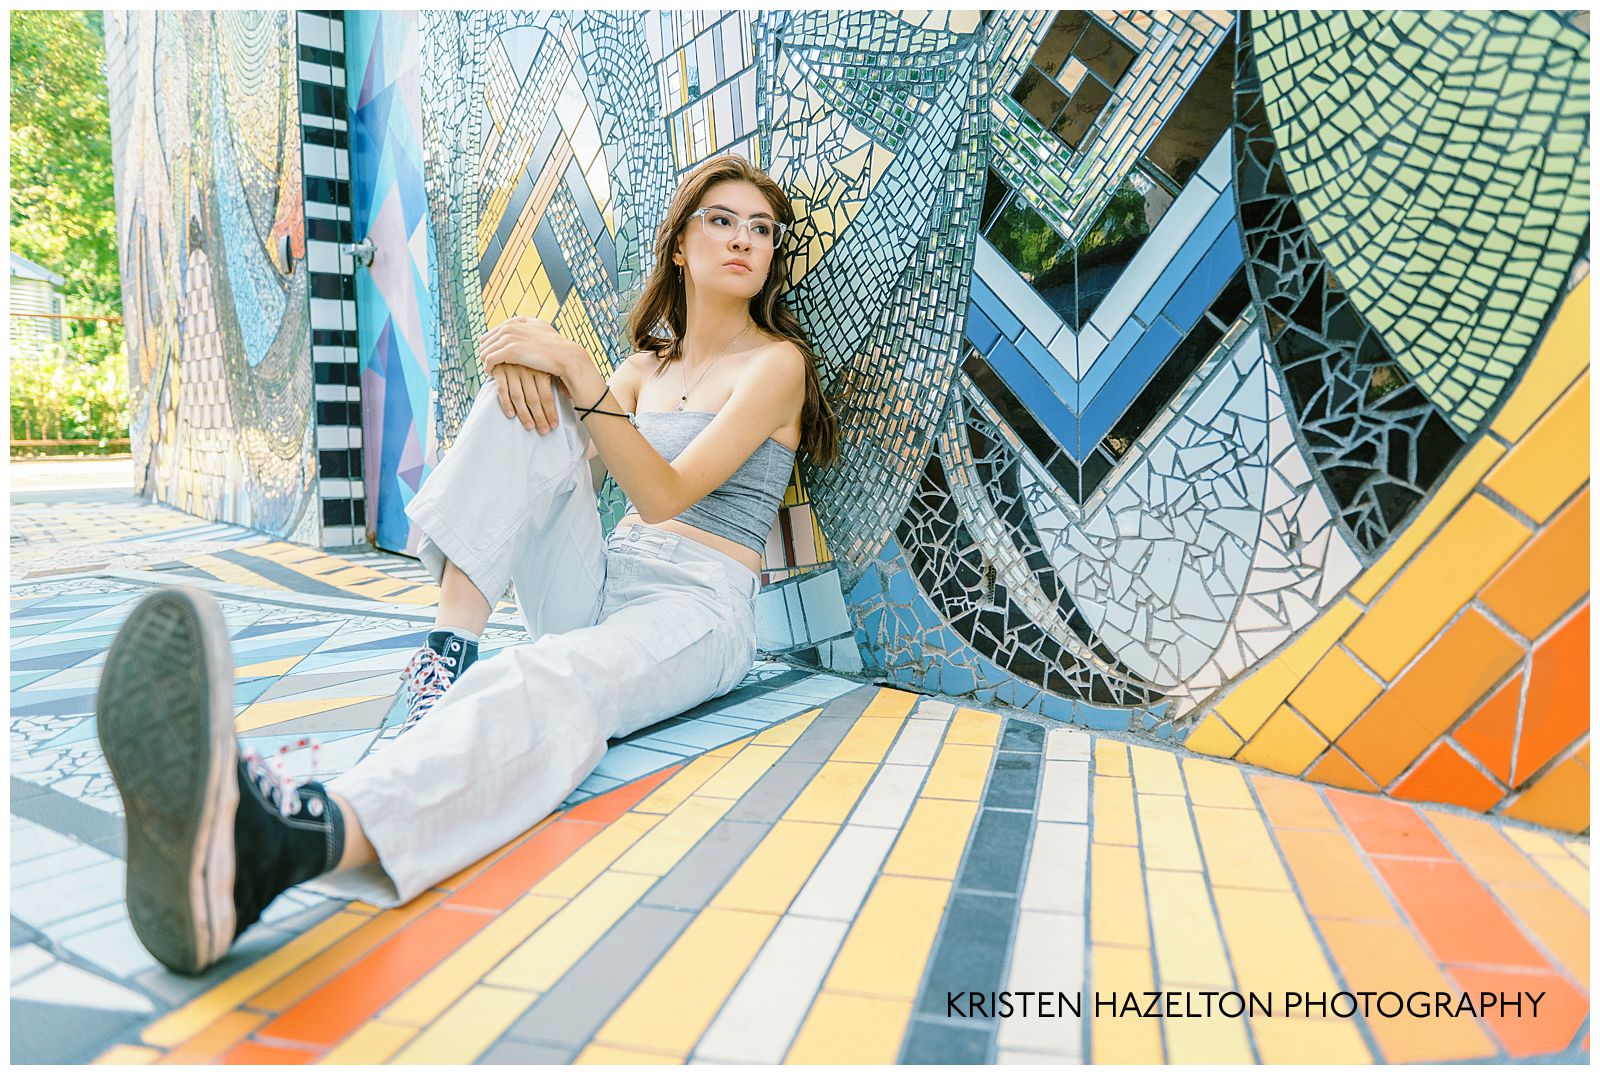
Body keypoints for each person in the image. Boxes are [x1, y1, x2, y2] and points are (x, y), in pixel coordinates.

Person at [95, 154, 839, 975]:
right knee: (528, 400)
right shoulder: (641, 371)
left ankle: (295, 841)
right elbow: (544, 468)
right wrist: (529, 369)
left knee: (547, 679)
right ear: (679, 244)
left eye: (762, 229)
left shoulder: (777, 365)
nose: (743, 239)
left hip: (695, 604)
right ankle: (447, 652)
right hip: (604, 578)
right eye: (721, 220)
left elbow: (663, 495)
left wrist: (575, 367)